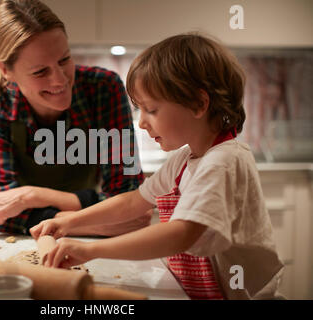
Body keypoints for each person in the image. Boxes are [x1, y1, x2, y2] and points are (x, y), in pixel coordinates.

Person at [30, 33, 285, 300]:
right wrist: (69, 222)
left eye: (151, 109)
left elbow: (180, 234)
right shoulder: (185, 158)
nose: (141, 123)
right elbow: (133, 202)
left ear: (199, 104)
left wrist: (90, 250)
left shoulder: (223, 162)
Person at [0, 0, 147, 236]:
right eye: (40, 71)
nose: (60, 80)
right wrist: (95, 217)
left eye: (64, 60)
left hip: (77, 241)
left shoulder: (104, 88)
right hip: (15, 240)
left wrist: (30, 197)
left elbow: (127, 197)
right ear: (6, 71)